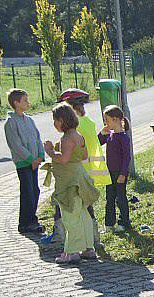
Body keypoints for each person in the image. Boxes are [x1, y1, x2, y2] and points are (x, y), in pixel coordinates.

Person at [44, 103, 100, 264]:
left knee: (70, 216)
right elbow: (83, 156)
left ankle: (72, 251)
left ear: (62, 120)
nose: (54, 124)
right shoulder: (79, 136)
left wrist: (50, 151)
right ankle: (89, 248)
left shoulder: (67, 138)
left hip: (69, 182)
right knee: (83, 215)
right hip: (80, 178)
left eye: (55, 121)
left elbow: (63, 159)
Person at [4, 89, 45, 234]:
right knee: (27, 191)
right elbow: (16, 145)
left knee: (35, 190)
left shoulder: (29, 120)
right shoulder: (11, 122)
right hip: (24, 163)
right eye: (25, 101)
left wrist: (40, 155)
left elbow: (37, 138)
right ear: (16, 103)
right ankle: (25, 223)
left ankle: (32, 219)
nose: (28, 103)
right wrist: (30, 159)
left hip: (34, 162)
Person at [98, 105, 132, 232]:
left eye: (107, 120)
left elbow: (126, 157)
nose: (106, 123)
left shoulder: (123, 137)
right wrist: (102, 132)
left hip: (119, 173)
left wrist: (123, 174)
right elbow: (98, 142)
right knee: (109, 197)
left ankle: (124, 222)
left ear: (116, 119)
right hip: (109, 172)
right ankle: (109, 223)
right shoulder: (109, 134)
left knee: (121, 197)